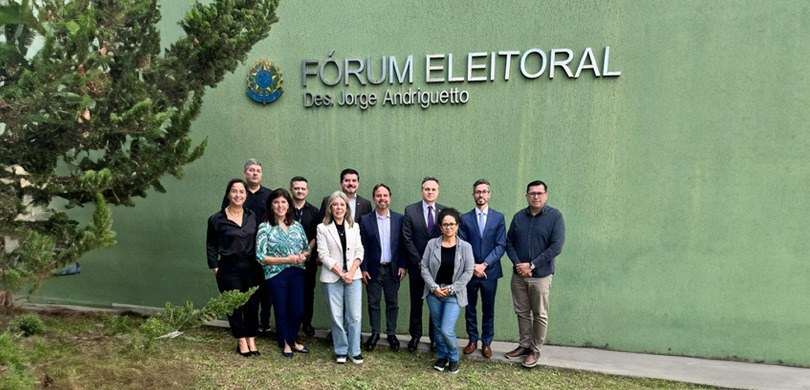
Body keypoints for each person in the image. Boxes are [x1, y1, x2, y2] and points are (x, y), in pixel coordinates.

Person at [504, 180, 565, 368]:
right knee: (522, 312)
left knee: (540, 314)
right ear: (526, 196)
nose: (536, 196)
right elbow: (509, 243)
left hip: (541, 276)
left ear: (546, 195)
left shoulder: (555, 217)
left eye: (539, 193)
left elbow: (556, 246)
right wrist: (518, 264)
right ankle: (524, 345)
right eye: (532, 193)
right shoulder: (519, 217)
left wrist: (532, 264)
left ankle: (535, 349)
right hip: (519, 275)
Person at [207, 179, 261, 357]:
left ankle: (251, 337)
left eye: (241, 192)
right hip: (228, 268)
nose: (238, 195)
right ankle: (241, 340)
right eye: (234, 191)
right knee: (233, 305)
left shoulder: (252, 216)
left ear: (246, 195)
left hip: (251, 266)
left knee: (252, 304)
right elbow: (211, 245)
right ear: (228, 194)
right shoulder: (216, 219)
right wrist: (215, 267)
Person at [255, 188, 311, 358]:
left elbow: (307, 249)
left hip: (297, 273)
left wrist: (303, 256)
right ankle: (287, 343)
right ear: (271, 206)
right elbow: (260, 256)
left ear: (288, 205)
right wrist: (287, 259)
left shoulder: (297, 226)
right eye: (276, 202)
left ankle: (291, 338)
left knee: (298, 310)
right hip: (275, 274)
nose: (280, 205)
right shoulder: (265, 227)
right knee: (281, 309)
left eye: (283, 202)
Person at [221, 159, 272, 334]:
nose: (255, 173)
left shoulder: (269, 195)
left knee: (261, 292)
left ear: (261, 174)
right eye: (251, 170)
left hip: (262, 252)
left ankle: (262, 324)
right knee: (238, 293)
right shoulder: (236, 194)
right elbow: (223, 223)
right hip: (239, 253)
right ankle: (241, 329)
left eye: (258, 170)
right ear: (245, 173)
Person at [420, 208, 474, 374]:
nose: (448, 227)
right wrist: (434, 287)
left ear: (457, 226)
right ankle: (442, 356)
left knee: (446, 329)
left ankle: (453, 357)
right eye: (445, 224)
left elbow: (468, 271)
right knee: (437, 329)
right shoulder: (432, 244)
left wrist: (451, 289)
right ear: (440, 227)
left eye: (452, 224)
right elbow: (424, 267)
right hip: (434, 293)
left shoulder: (465, 247)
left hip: (453, 294)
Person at [458, 179, 506, 358]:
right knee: (470, 307)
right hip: (469, 273)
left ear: (489, 194)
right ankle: (472, 339)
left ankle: (487, 342)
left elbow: (501, 245)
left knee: (488, 307)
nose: (481, 194)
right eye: (478, 191)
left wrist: (484, 264)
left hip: (490, 272)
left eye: (484, 191)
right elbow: (462, 245)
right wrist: (473, 267)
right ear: (473, 195)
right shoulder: (465, 218)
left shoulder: (498, 217)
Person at [317, 191, 365, 364]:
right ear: (330, 207)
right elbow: (323, 254)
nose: (339, 208)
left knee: (355, 316)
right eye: (335, 204)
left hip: (354, 276)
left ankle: (355, 351)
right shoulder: (322, 228)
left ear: (347, 208)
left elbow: (360, 251)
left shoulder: (355, 226)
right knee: (336, 317)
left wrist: (351, 272)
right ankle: (341, 350)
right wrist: (341, 273)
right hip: (332, 277)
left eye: (342, 205)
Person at [359, 183, 407, 351]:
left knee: (392, 303)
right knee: (373, 303)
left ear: (390, 198)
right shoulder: (365, 220)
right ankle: (375, 333)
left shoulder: (399, 219)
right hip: (372, 270)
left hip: (393, 269)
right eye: (379, 195)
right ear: (374, 198)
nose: (382, 198)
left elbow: (402, 244)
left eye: (385, 195)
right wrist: (363, 268)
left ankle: (391, 333)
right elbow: (362, 246)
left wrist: (402, 264)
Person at [402, 176, 445, 352]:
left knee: (435, 302)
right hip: (417, 266)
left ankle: (435, 338)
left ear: (438, 192)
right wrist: (418, 261)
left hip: (438, 268)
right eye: (427, 189)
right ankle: (415, 336)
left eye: (433, 189)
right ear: (422, 191)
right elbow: (407, 238)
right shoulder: (410, 210)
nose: (430, 192)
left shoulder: (444, 212)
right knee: (416, 302)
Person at [289, 176, 320, 337]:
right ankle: (290, 322)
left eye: (302, 188)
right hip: (287, 260)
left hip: (307, 260)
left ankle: (306, 323)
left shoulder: (314, 211)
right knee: (289, 291)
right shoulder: (284, 209)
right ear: (291, 190)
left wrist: (307, 252)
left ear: (307, 191)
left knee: (308, 292)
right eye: (296, 188)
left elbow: (317, 235)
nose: (299, 191)